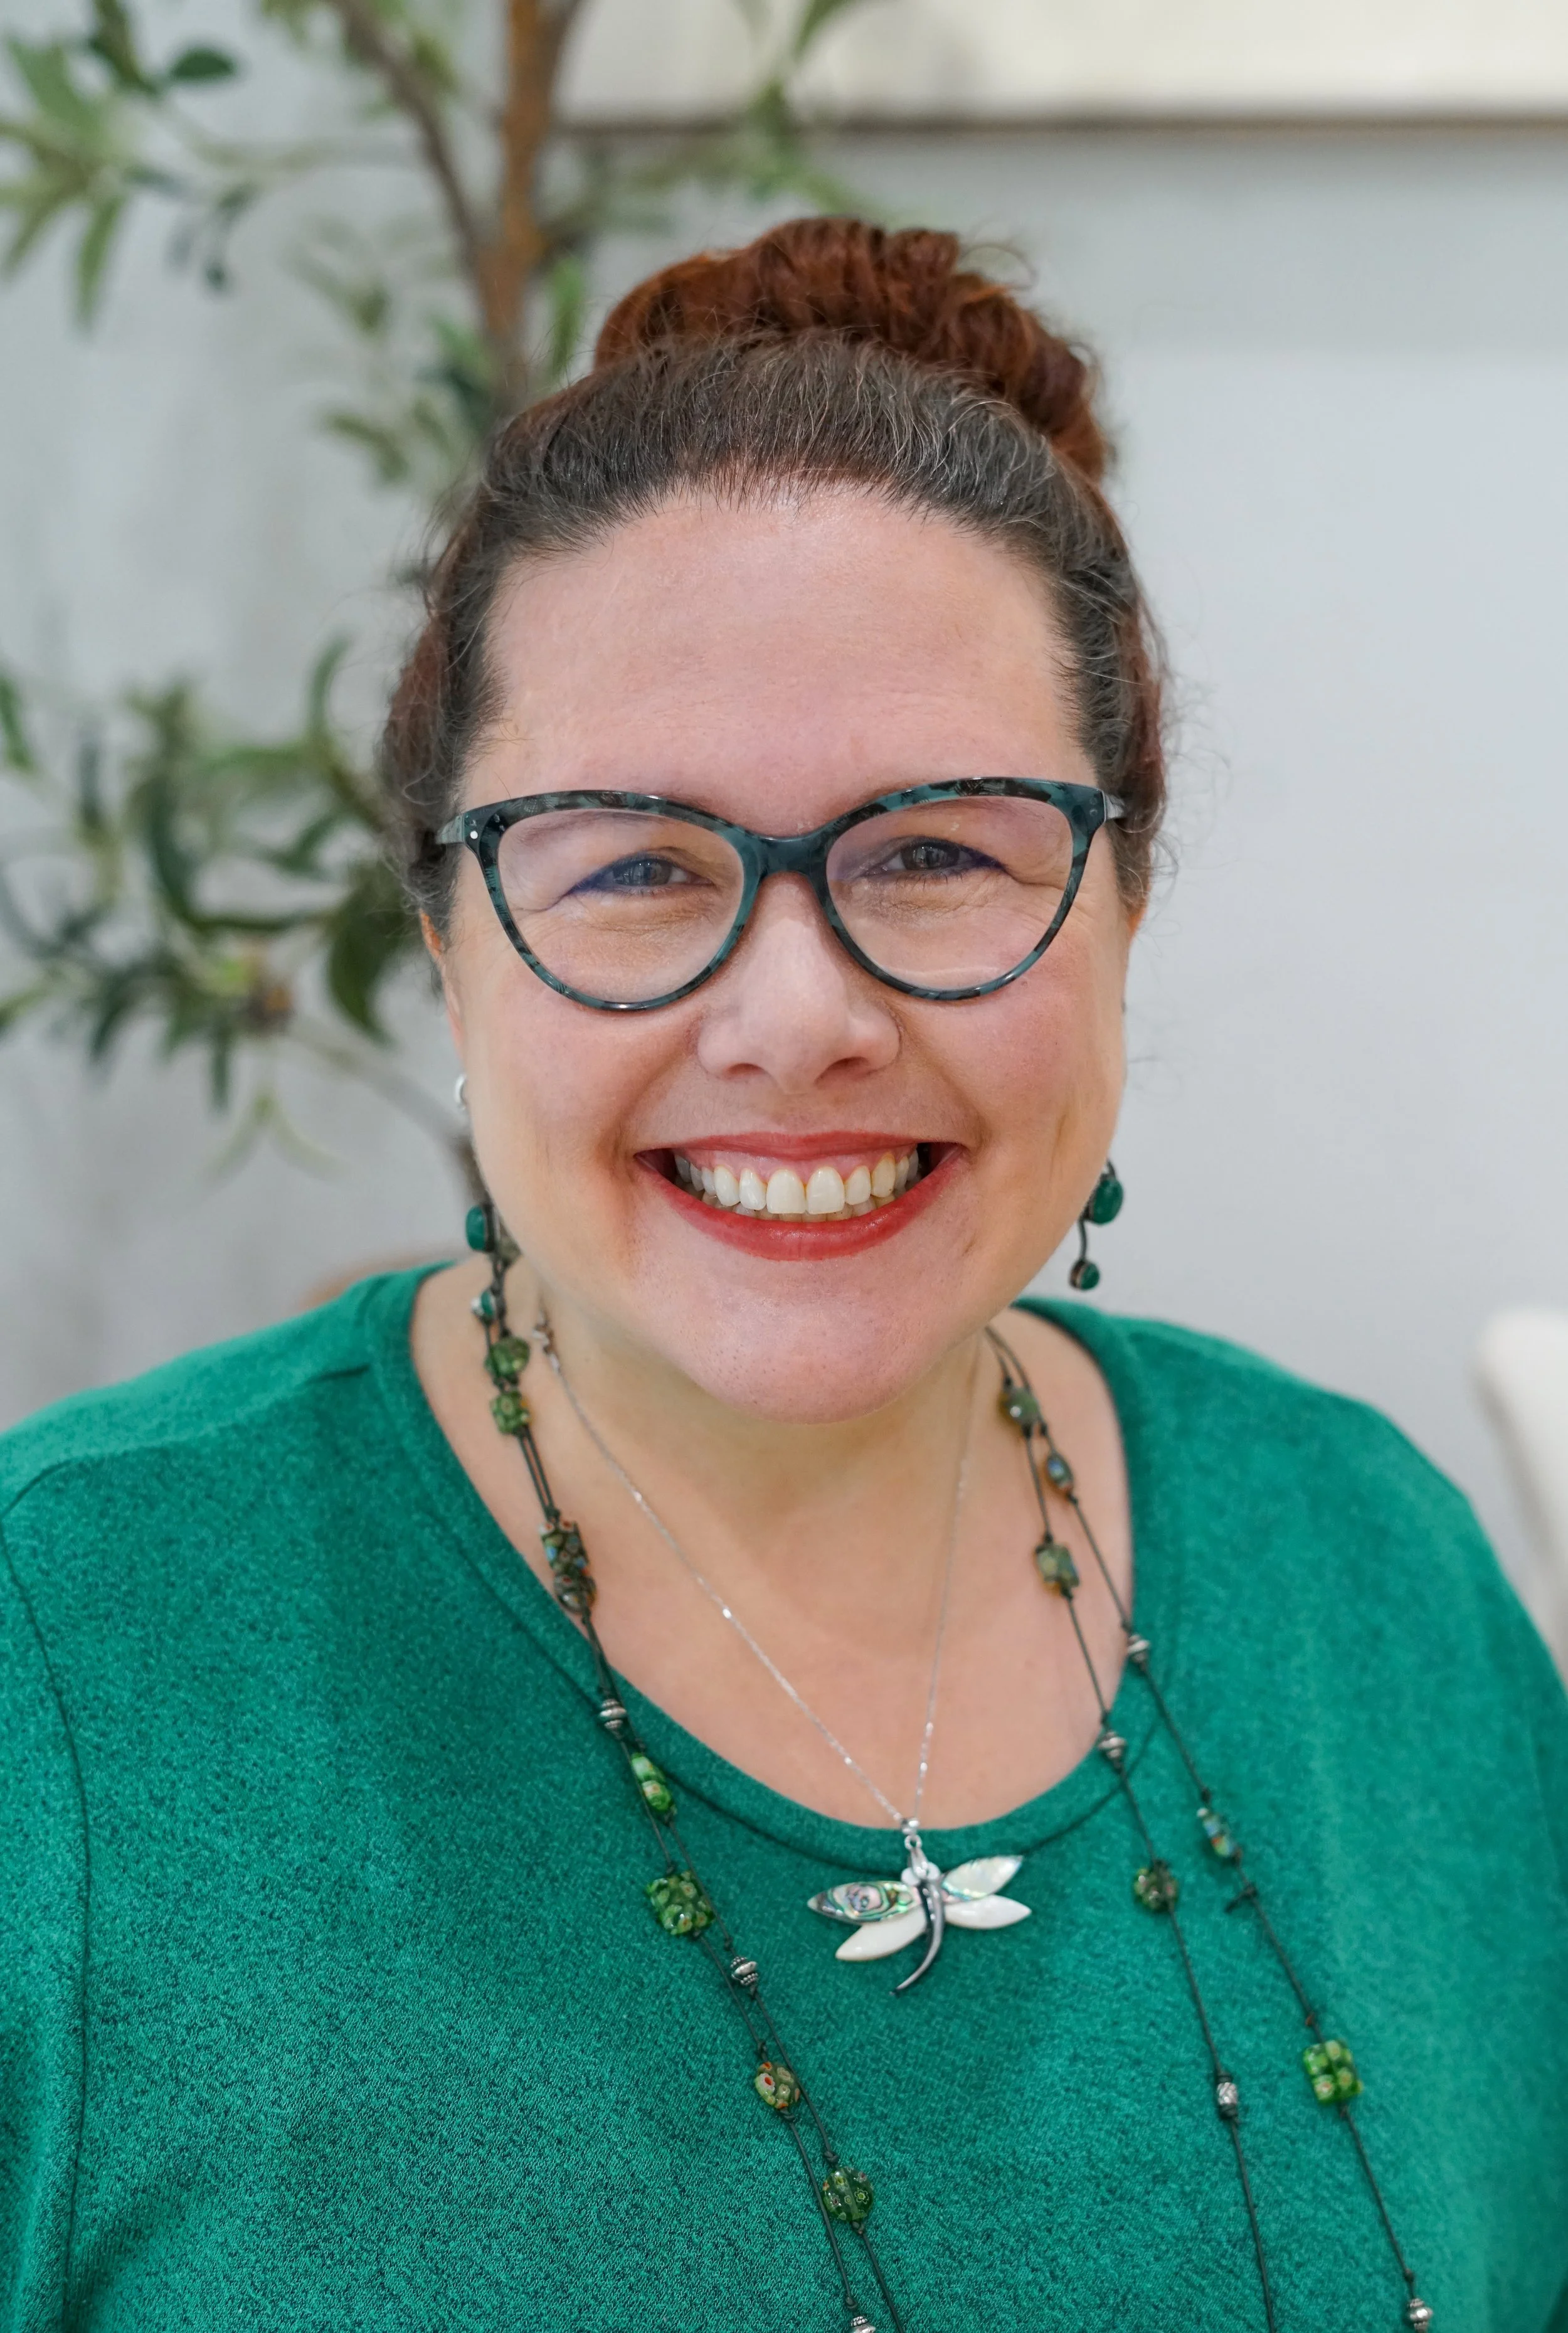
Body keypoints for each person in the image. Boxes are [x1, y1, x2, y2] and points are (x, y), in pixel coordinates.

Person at [1, 218, 1563, 2333]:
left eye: (936, 850)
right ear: (447, 941)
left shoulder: (1367, 1576)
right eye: (637, 866)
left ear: (1118, 902)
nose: (796, 1011)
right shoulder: (66, 1660)